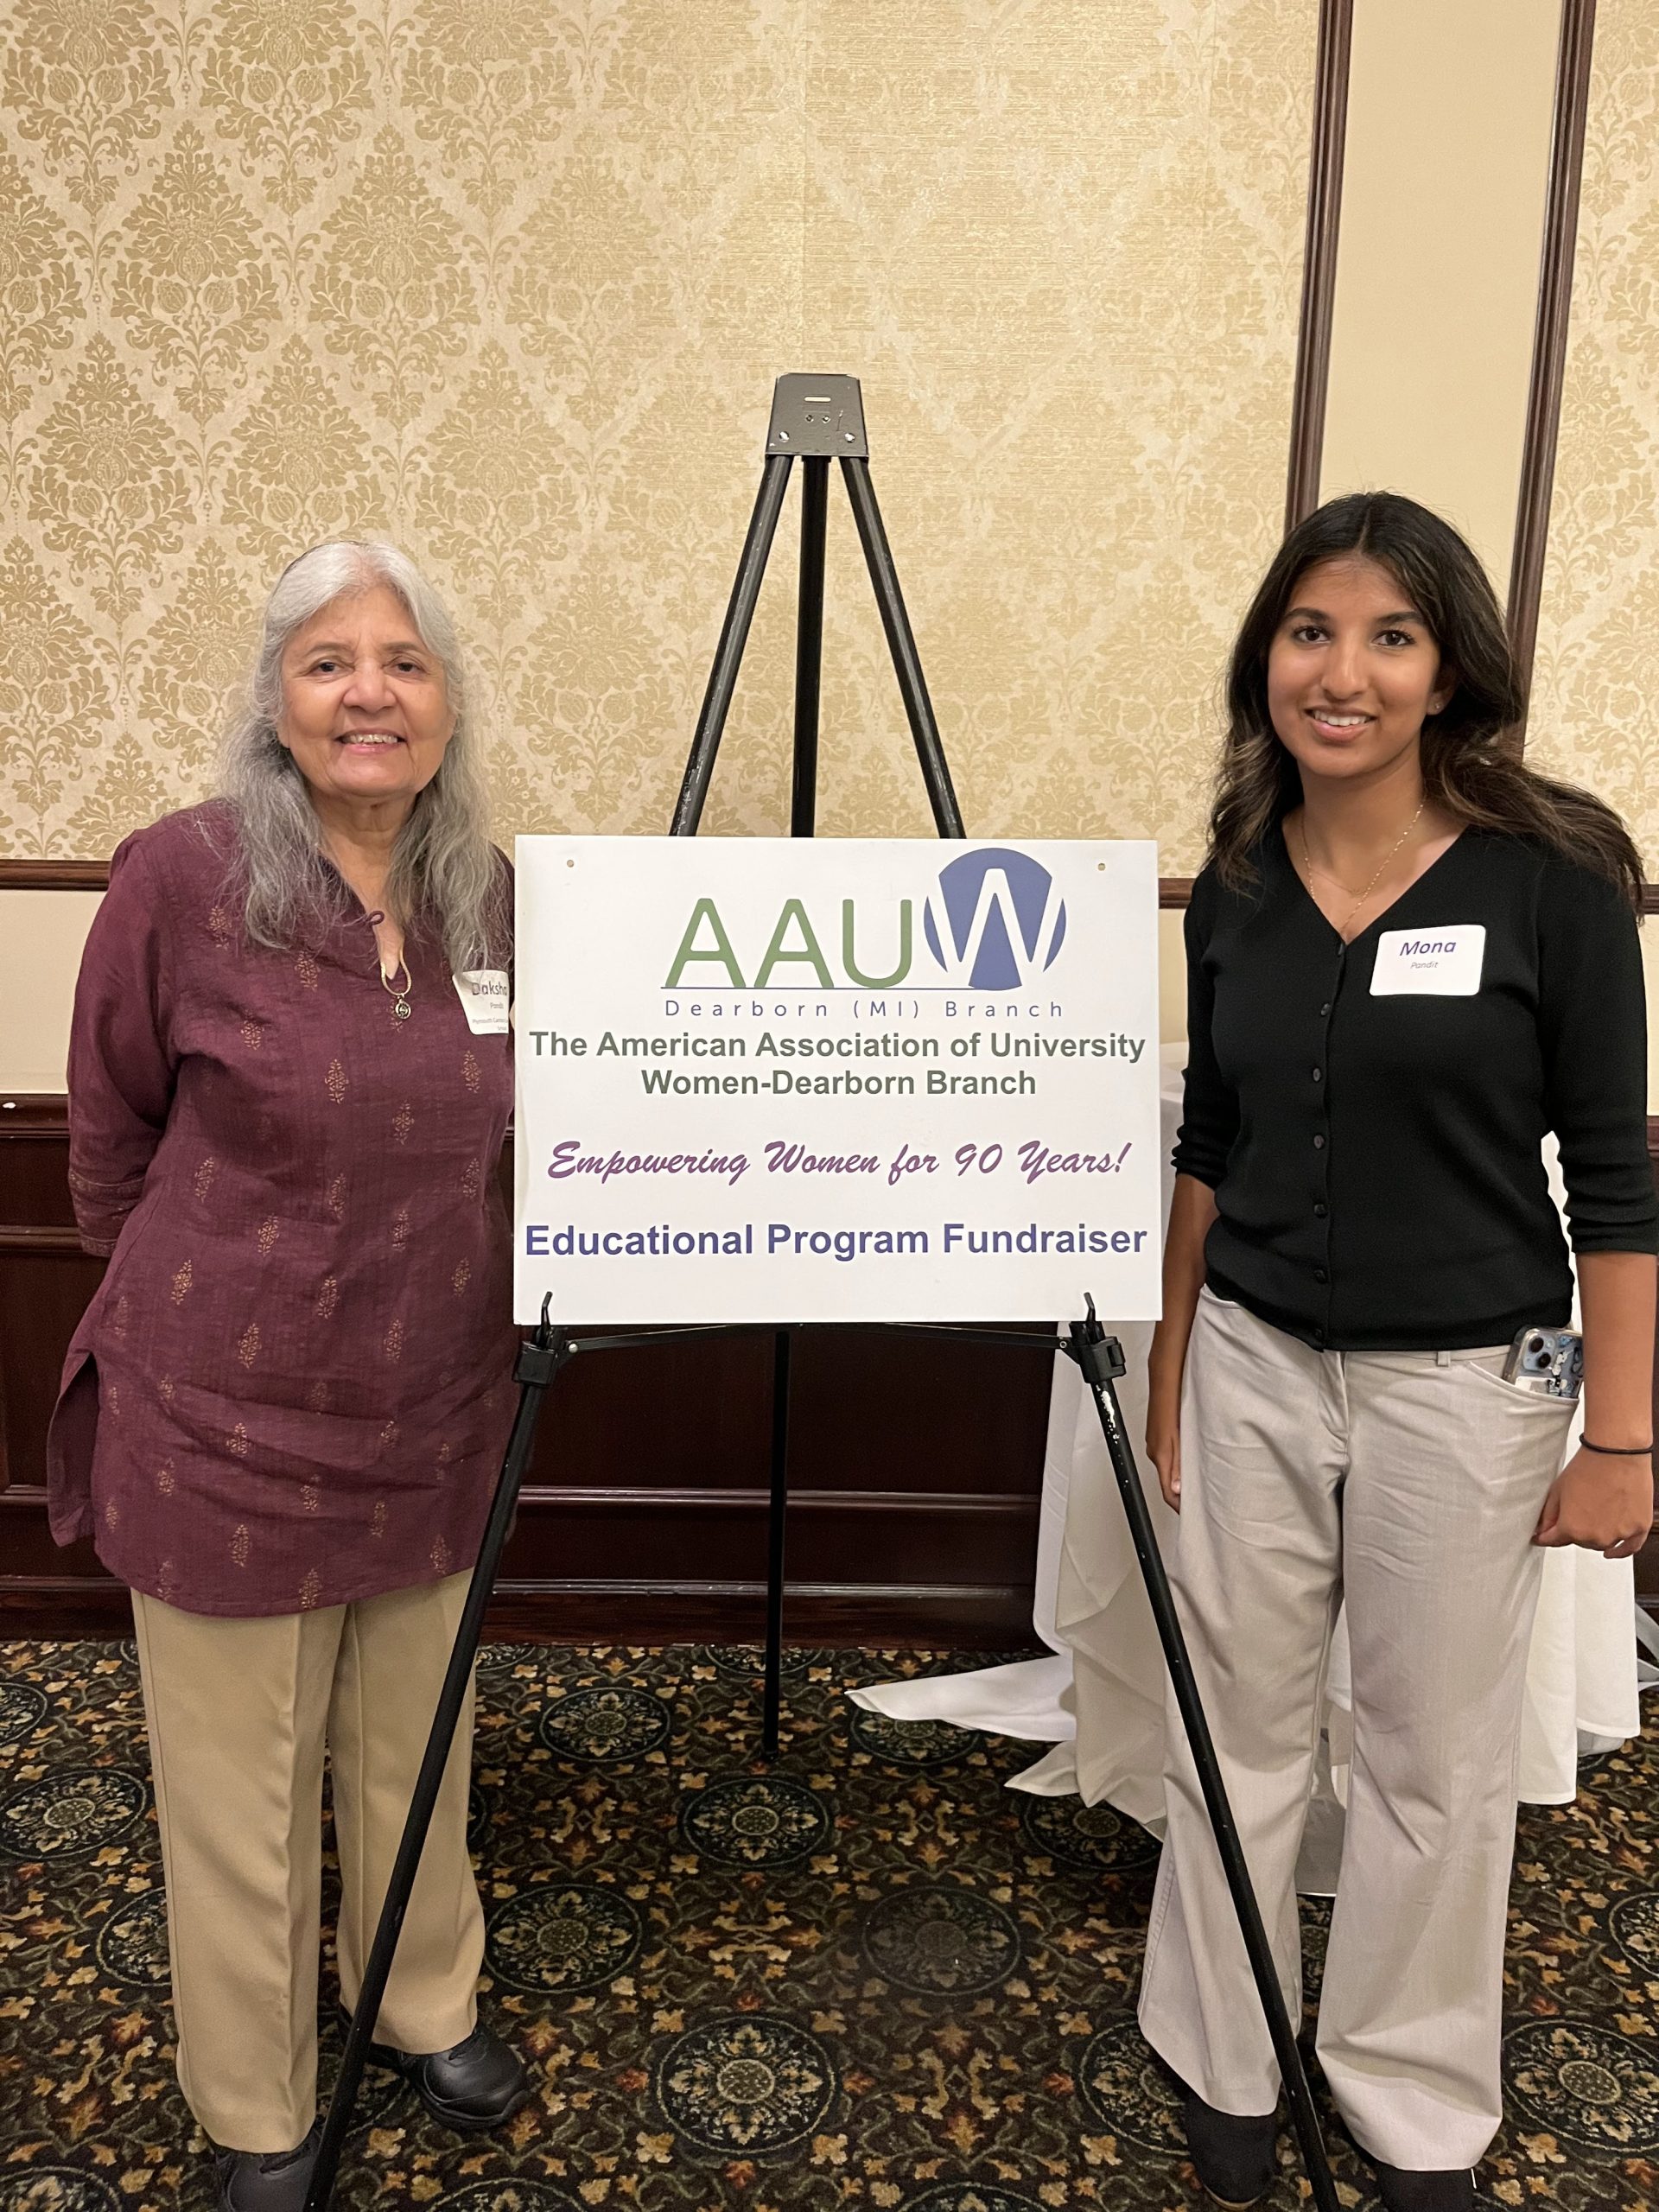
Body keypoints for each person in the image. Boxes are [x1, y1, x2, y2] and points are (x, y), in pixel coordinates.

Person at [1140, 493, 1656, 2211]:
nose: (1342, 672)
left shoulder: (1556, 880)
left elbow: (1621, 1176)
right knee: (1237, 1723)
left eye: (1389, 635)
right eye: (1310, 631)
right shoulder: (1238, 874)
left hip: (1472, 1383)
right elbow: (1209, 1137)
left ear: (1450, 671)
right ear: (1266, 658)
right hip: (1255, 1360)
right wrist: (1172, 1363)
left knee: (1435, 1754)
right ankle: (1224, 2040)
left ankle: (1412, 2081)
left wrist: (1623, 1437)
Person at [48, 541, 529, 2212]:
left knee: (417, 1739)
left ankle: (421, 2000)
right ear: (276, 699)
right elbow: (107, 1136)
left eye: (404, 662)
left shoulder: (492, 896)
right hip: (219, 1419)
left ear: (448, 704)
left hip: (437, 1396)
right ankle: (256, 2099)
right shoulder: (180, 878)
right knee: (242, 1784)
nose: (368, 694)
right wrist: (187, 1304)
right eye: (329, 663)